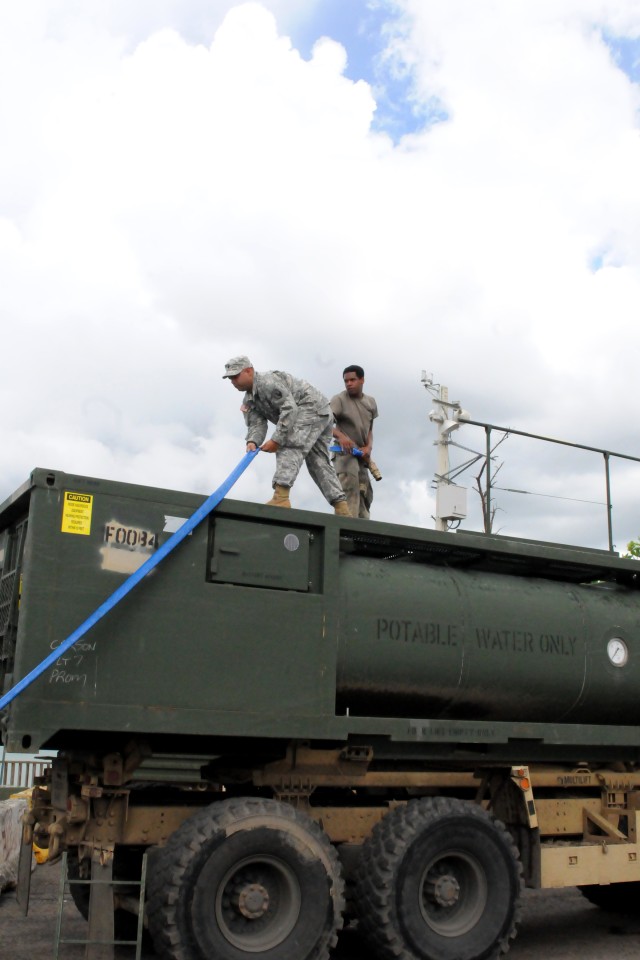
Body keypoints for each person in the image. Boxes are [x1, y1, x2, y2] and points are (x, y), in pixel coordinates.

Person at [223, 356, 351, 516]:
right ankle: (342, 508)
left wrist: (276, 440)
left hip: (311, 406)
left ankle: (281, 497)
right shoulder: (249, 400)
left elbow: (289, 409)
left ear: (249, 371)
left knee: (289, 443)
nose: (233, 381)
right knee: (317, 460)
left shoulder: (267, 383)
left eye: (235, 376)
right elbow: (257, 424)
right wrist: (253, 441)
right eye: (230, 378)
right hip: (318, 412)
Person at [330, 364, 379, 519]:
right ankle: (345, 532)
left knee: (364, 495)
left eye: (353, 380)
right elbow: (322, 423)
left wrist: (369, 447)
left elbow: (370, 430)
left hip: (362, 457)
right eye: (346, 381)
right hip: (345, 456)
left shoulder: (370, 402)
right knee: (349, 492)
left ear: (362, 380)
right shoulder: (339, 400)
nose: (349, 383)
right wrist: (341, 437)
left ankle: (362, 534)